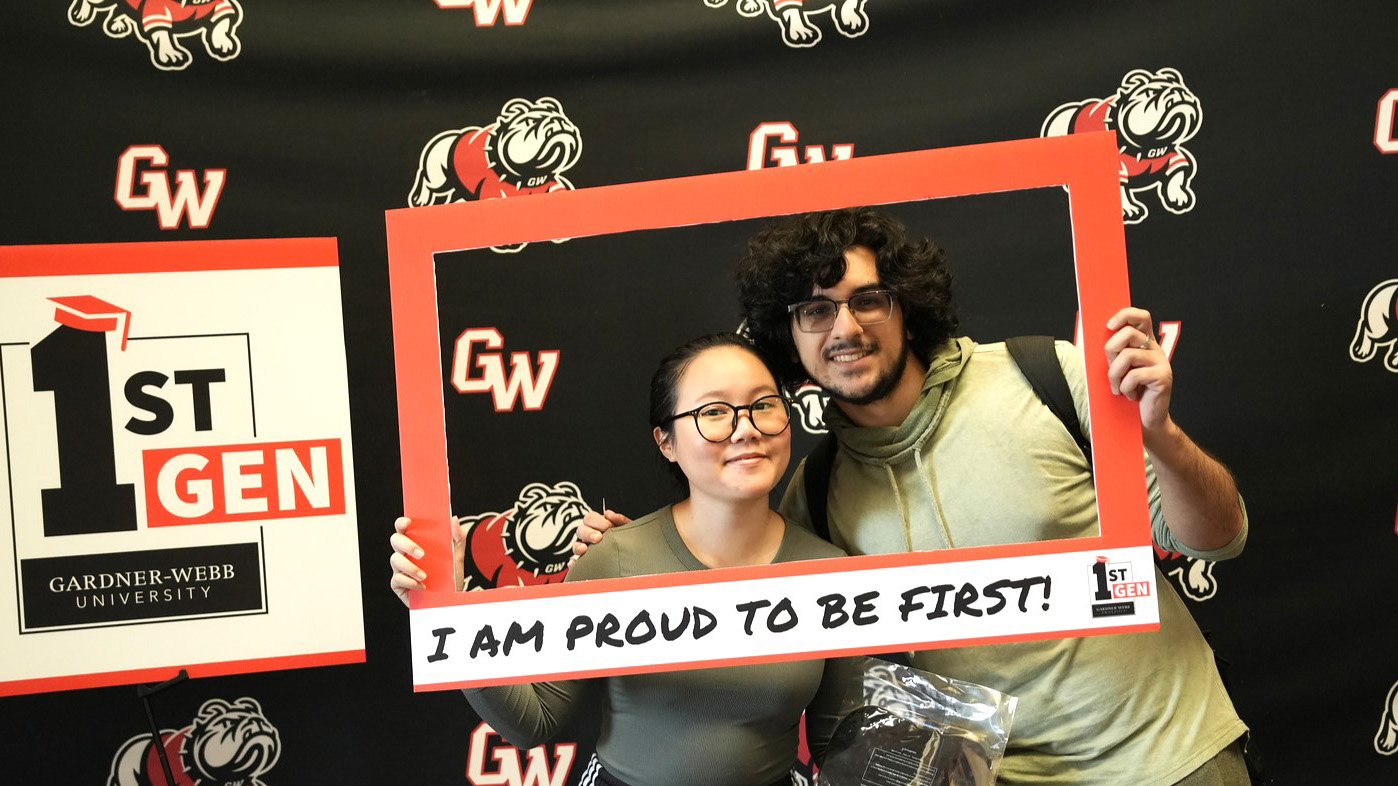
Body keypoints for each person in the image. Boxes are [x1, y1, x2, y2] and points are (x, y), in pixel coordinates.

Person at [576, 208, 1252, 786]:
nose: (844, 329)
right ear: (790, 337)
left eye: (867, 299)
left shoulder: (1044, 376)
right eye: (815, 310)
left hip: (1170, 761)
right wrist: (631, 557)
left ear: (907, 304)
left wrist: (1160, 435)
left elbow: (1217, 537)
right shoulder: (816, 493)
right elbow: (741, 612)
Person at [390, 332, 855, 786]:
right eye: (714, 411)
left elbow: (837, 743)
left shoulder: (828, 572)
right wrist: (448, 609)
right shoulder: (613, 558)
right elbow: (534, 721)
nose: (747, 428)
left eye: (764, 405)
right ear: (665, 441)